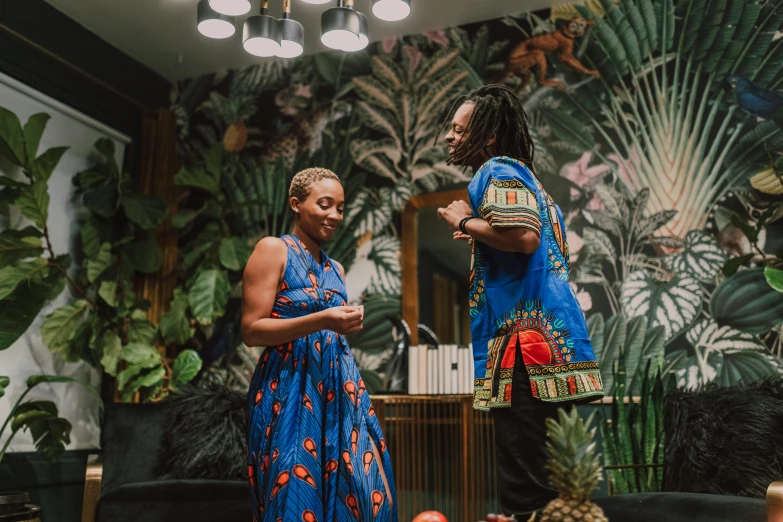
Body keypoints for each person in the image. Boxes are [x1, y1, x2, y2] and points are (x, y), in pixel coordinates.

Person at [436, 85, 604, 518]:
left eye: (459, 129)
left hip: (524, 350)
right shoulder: (527, 180)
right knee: (548, 478)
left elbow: (525, 238)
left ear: (489, 136)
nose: (450, 137)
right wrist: (479, 228)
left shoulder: (498, 168)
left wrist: (466, 219)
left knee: (525, 481)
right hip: (542, 344)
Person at [242, 168, 397, 522]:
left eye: (340, 208)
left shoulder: (336, 268)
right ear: (296, 204)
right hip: (289, 390)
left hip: (339, 390)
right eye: (325, 204)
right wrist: (325, 320)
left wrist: (341, 326)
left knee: (366, 489)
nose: (334, 216)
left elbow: (330, 331)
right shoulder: (273, 249)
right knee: (295, 494)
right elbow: (252, 330)